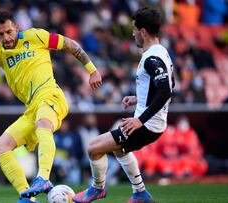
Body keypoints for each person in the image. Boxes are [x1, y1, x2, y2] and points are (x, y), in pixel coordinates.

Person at [0, 8, 102, 203]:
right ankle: (27, 198)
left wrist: (92, 70)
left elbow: (70, 44)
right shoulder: (0, 53)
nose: (6, 37)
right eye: (1, 34)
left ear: (16, 27)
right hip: (32, 109)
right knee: (1, 147)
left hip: (51, 97)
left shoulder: (36, 36)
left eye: (9, 31)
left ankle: (43, 178)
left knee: (43, 123)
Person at [73, 7, 174, 203]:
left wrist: (140, 120)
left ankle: (97, 188)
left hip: (147, 125)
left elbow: (165, 91)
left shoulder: (151, 58)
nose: (133, 33)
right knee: (120, 149)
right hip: (153, 123)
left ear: (143, 31)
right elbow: (169, 85)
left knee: (93, 148)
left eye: (134, 29)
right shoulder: (162, 53)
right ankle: (140, 193)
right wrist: (139, 98)